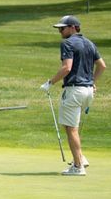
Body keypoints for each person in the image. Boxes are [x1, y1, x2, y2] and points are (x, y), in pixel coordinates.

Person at [42, 14, 105, 175]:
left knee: (71, 129)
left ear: (73, 27)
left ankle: (78, 167)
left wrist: (50, 82)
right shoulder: (90, 43)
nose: (60, 32)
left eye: (62, 28)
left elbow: (66, 68)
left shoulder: (67, 43)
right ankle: (81, 157)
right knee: (71, 126)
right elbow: (102, 66)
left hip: (74, 90)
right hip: (88, 92)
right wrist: (91, 82)